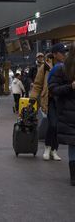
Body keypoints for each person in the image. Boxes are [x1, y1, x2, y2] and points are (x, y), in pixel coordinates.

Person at [48, 42, 74, 185]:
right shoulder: (59, 68)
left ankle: (52, 149)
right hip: (61, 107)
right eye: (62, 52)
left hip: (64, 107)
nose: (64, 54)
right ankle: (49, 149)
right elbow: (49, 87)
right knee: (54, 127)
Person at [30, 53, 57, 160]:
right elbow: (37, 84)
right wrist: (32, 98)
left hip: (62, 100)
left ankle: (54, 150)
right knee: (52, 124)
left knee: (57, 127)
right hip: (48, 99)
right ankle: (47, 147)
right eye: (39, 57)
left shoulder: (65, 65)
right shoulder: (43, 68)